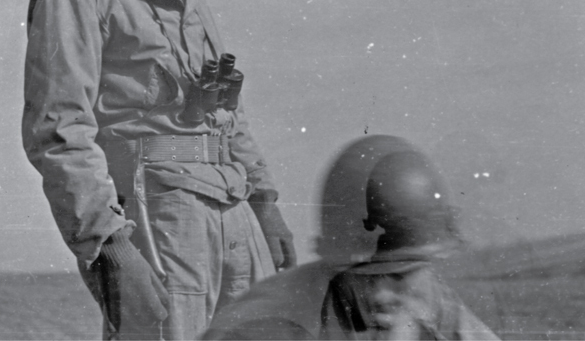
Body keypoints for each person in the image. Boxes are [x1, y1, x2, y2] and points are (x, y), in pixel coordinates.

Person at [23, 0, 296, 340]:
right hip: (161, 217)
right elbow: (58, 130)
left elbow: (225, 106)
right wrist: (109, 244)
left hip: (231, 207)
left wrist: (265, 201)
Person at [203, 135, 500, 340]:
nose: (383, 294)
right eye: (367, 277)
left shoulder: (429, 296)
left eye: (399, 276)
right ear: (334, 265)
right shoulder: (267, 325)